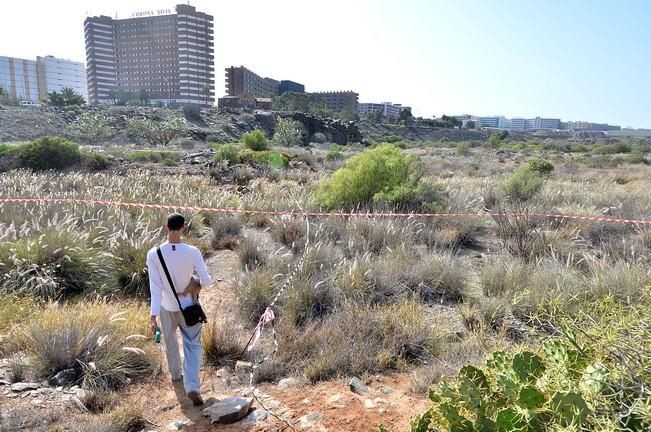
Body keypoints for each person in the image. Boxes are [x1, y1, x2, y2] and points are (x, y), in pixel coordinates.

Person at [146, 213, 212, 406]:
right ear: (184, 228)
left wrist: (153, 316)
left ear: (166, 226)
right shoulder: (192, 252)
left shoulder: (153, 254)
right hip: (188, 306)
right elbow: (206, 281)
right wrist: (195, 285)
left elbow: (155, 287)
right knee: (192, 345)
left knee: (170, 341)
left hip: (167, 306)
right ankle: (192, 386)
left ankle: (176, 376)